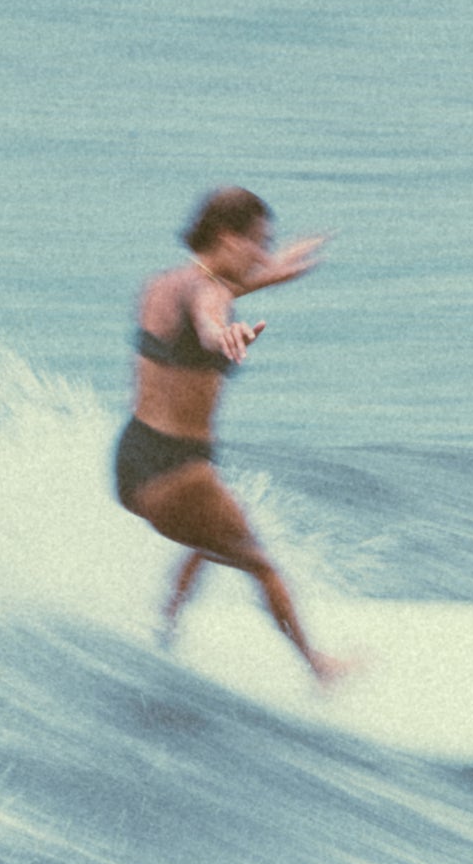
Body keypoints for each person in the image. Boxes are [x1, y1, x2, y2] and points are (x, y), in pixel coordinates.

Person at [115, 187, 343, 683]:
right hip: (178, 470)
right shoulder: (210, 294)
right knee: (259, 564)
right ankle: (319, 669)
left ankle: (165, 631)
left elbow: (218, 291)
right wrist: (224, 335)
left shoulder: (160, 284)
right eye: (258, 243)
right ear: (226, 237)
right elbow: (209, 314)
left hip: (133, 460)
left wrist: (281, 266)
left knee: (208, 539)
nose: (263, 254)